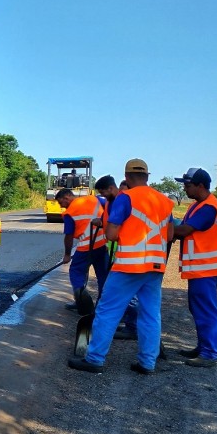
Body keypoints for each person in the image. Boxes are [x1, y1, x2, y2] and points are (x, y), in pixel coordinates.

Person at [68, 158, 174, 375]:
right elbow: (170, 235)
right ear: (147, 176)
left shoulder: (126, 198)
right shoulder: (164, 200)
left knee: (107, 310)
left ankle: (95, 359)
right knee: (151, 314)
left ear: (126, 177)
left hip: (129, 265)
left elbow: (111, 234)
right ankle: (147, 363)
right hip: (156, 266)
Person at [172, 167, 217, 368]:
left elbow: (184, 230)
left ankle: (209, 353)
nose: (185, 189)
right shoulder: (198, 205)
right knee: (198, 308)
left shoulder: (209, 208)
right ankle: (203, 347)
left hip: (205, 269)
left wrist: (160, 230)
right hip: (201, 269)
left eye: (188, 186)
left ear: (200, 186)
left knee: (206, 310)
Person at [93, 175, 138, 340]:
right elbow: (108, 221)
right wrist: (100, 222)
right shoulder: (110, 202)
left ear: (111, 188)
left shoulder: (121, 201)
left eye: (104, 193)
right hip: (113, 251)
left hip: (126, 254)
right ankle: (126, 321)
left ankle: (131, 326)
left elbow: (116, 229)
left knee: (127, 293)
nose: (103, 196)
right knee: (112, 289)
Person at [55, 188, 109, 310]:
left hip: (86, 247)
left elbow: (69, 236)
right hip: (102, 244)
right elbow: (109, 205)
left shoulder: (70, 213)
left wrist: (67, 255)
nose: (61, 206)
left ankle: (81, 300)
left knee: (76, 271)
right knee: (103, 276)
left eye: (60, 203)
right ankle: (101, 306)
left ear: (66, 197)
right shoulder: (94, 199)